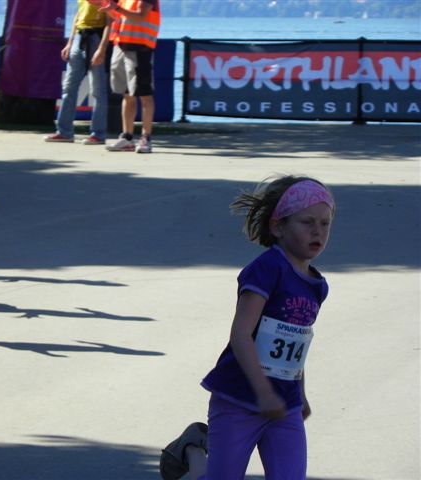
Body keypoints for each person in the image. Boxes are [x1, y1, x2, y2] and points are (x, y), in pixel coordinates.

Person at [159, 176, 335, 480]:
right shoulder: (266, 270)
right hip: (238, 399)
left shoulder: (317, 285)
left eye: (325, 223)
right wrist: (263, 392)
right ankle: (193, 452)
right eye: (307, 222)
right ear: (278, 227)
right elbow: (241, 334)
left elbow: (296, 343)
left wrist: (300, 393)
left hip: (284, 405)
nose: (317, 231)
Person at [43, 0, 111, 145]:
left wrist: (102, 48)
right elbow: (78, 14)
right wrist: (70, 42)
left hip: (97, 36)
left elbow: (111, 20)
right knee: (69, 87)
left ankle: (98, 134)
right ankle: (64, 132)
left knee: (98, 89)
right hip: (79, 36)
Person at [99, 0, 160, 154]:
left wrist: (117, 8)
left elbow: (141, 16)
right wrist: (106, 7)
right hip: (120, 45)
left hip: (140, 48)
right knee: (126, 95)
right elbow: (117, 16)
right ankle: (127, 137)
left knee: (145, 95)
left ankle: (146, 138)